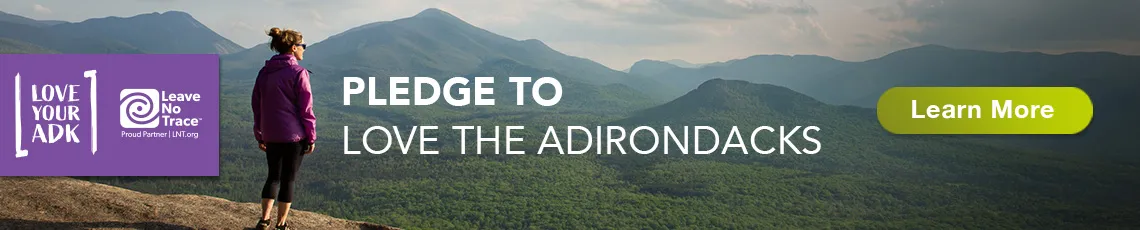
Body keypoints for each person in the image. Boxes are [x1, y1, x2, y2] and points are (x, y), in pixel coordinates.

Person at [251, 27, 317, 230]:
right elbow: (306, 109)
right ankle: (281, 224)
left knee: (273, 177)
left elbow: (256, 103)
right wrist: (311, 137)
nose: (304, 50)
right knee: (288, 180)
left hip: (270, 134)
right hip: (294, 136)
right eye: (303, 46)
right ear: (294, 48)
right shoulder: (298, 73)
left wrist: (259, 132)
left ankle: (264, 220)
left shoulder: (264, 72)